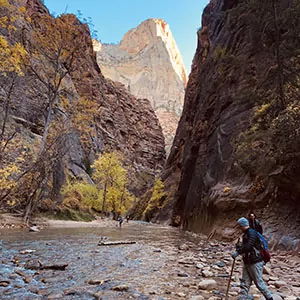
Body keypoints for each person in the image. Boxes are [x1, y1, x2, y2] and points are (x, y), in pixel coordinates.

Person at [231, 217, 273, 300]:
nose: (239, 228)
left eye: (239, 226)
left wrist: (238, 252)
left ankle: (270, 298)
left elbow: (249, 246)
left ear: (242, 225)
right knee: (244, 282)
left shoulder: (252, 233)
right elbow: (246, 246)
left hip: (255, 261)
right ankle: (242, 297)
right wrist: (239, 248)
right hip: (247, 261)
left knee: (259, 283)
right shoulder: (246, 234)